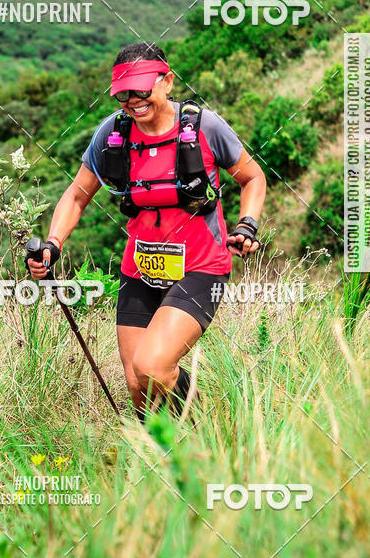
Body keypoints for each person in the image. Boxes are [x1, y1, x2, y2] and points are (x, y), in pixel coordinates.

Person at [27, 42, 266, 420]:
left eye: (142, 89)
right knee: (138, 384)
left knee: (153, 366)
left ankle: (217, 429)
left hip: (202, 266)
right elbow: (76, 196)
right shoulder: (112, 134)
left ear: (167, 82)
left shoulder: (204, 127)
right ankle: (160, 458)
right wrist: (53, 245)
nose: (133, 100)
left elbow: (253, 177)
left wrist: (247, 224)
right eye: (123, 93)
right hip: (140, 269)